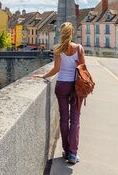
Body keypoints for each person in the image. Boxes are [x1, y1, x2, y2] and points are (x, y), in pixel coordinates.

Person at [33, 22, 85, 164]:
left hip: (62, 85)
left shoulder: (58, 49)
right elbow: (83, 69)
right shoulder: (79, 48)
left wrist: (44, 76)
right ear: (72, 33)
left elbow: (56, 69)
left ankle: (66, 151)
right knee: (75, 120)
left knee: (64, 118)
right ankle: (73, 154)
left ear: (62, 33)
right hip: (75, 87)